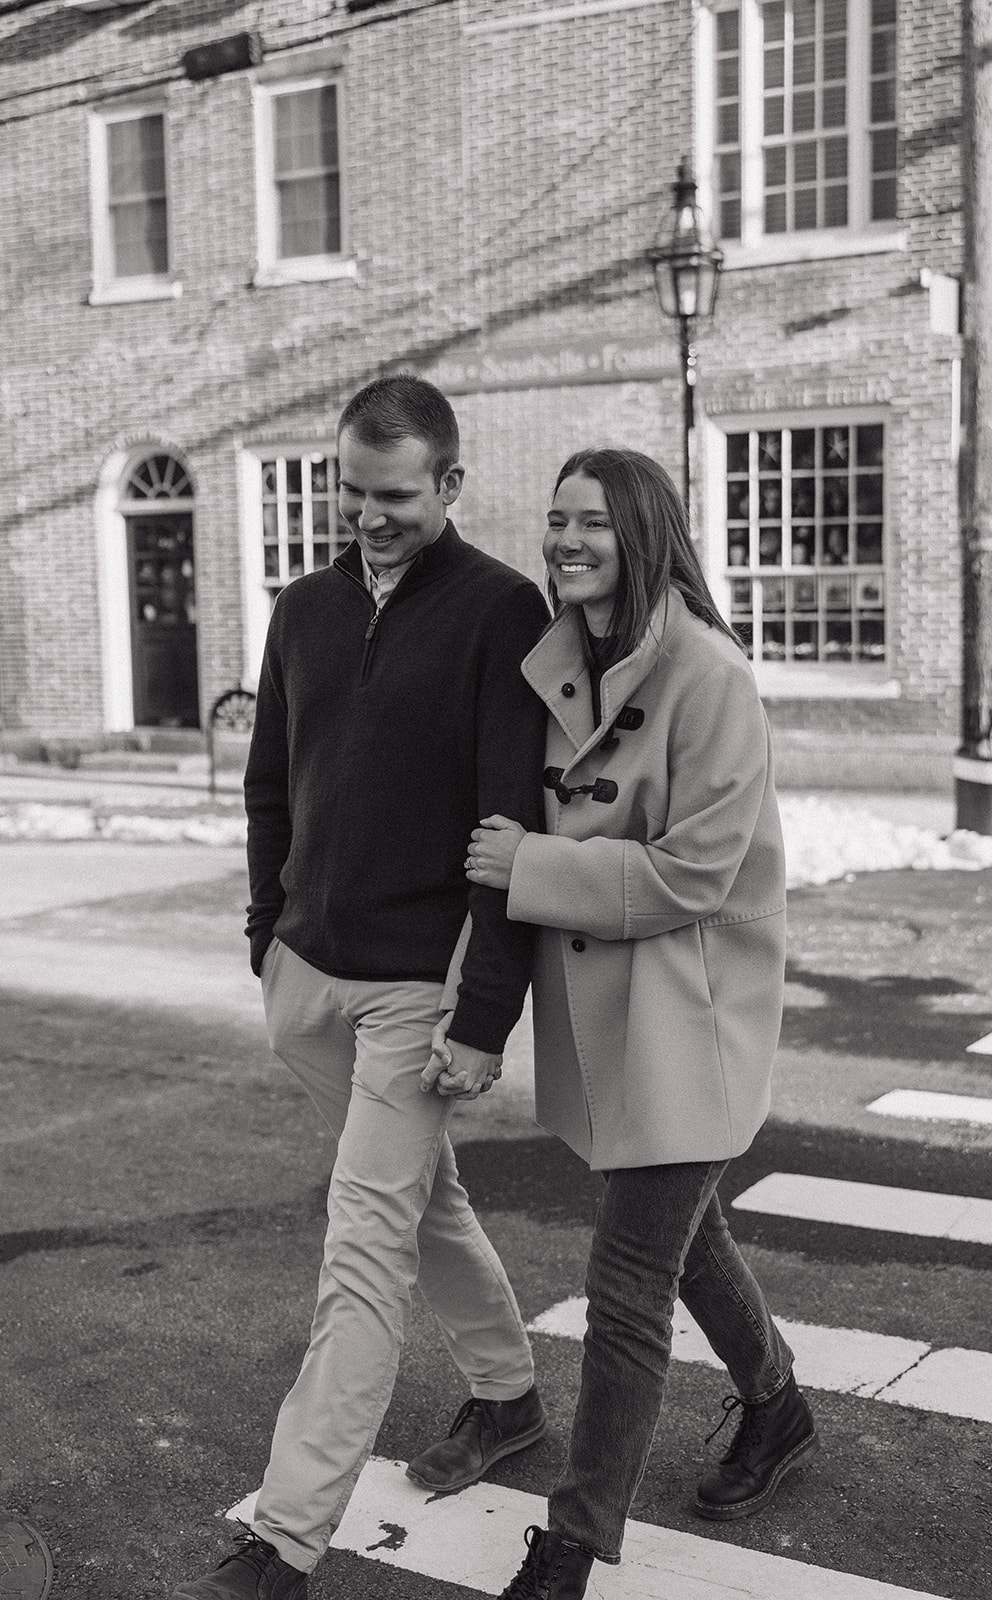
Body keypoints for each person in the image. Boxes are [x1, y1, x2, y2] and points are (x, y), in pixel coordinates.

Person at [173, 376, 551, 1600]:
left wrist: (482, 1011)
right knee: (410, 1193)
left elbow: (512, 819)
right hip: (306, 974)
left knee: (363, 1245)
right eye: (352, 490)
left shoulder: (504, 611)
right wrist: (263, 932)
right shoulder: (304, 607)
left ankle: (285, 1536)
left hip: (413, 989)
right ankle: (508, 1393)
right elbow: (271, 781)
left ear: (449, 483)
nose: (370, 516)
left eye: (396, 496)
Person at [428, 447, 818, 1599]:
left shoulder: (709, 675)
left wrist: (533, 862)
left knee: (628, 1283)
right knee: (680, 1237)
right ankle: (778, 1405)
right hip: (612, 1019)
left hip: (689, 1020)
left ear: (643, 531)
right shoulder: (556, 662)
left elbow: (697, 872)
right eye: (554, 519)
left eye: (591, 520)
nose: (565, 539)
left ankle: (570, 1544)